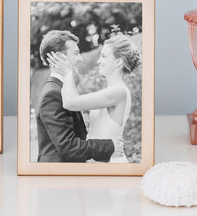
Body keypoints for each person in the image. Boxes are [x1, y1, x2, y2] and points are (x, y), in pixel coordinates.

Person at [48, 33, 140, 163]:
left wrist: (68, 72)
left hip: (110, 162)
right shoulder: (111, 91)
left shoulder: (119, 91)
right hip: (100, 159)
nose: (99, 61)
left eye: (104, 56)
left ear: (118, 62)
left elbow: (70, 102)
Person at [35, 30, 119, 163]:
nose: (80, 58)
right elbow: (68, 147)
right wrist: (110, 146)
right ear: (60, 57)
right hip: (57, 172)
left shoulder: (60, 89)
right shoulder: (52, 94)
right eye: (76, 53)